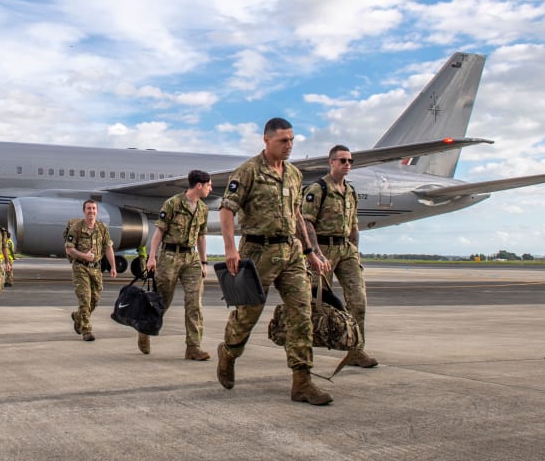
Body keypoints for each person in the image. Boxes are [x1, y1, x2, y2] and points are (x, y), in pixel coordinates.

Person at [215, 117, 334, 405]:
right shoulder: (247, 172)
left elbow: (296, 216)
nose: (289, 145)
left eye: (292, 140)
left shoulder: (293, 174)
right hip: (257, 253)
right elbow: (226, 211)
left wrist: (309, 252)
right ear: (266, 140)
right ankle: (229, 353)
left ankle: (302, 382)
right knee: (247, 316)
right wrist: (230, 249)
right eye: (283, 140)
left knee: (301, 314)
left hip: (291, 253)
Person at [302, 144, 377, 369]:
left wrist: (355, 252)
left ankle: (356, 350)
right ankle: (305, 350)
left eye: (350, 161)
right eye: (343, 160)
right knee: (314, 302)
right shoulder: (318, 189)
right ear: (332, 162)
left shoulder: (350, 191)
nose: (347, 165)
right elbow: (306, 221)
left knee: (358, 300)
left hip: (346, 250)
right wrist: (314, 252)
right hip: (323, 249)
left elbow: (353, 224)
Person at [142, 170, 212, 360]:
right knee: (162, 302)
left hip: (192, 259)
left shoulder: (203, 209)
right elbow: (159, 233)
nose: (210, 188)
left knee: (194, 304)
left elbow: (201, 236)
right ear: (199, 185)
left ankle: (193, 347)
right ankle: (145, 330)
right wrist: (152, 257)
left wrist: (204, 262)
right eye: (208, 185)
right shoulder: (172, 203)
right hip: (170, 257)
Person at [64, 200, 117, 341]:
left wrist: (113, 266)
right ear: (84, 211)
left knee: (95, 299)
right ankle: (86, 330)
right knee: (85, 299)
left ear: (97, 211)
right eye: (88, 208)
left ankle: (77, 316)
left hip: (96, 269)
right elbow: (69, 249)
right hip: (80, 267)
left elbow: (108, 247)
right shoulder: (76, 228)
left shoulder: (102, 228)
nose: (91, 211)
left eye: (94, 208)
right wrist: (84, 256)